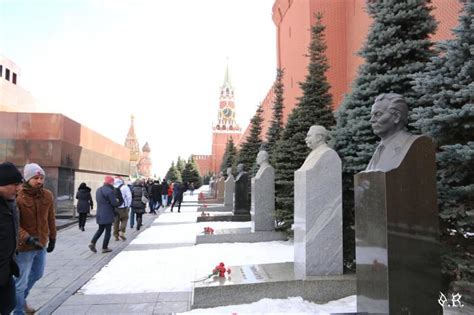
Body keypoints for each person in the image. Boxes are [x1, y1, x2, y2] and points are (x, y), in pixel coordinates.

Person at [15, 163, 57, 315]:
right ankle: (18, 310)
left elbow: (51, 218)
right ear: (27, 179)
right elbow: (15, 225)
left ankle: (17, 298)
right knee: (20, 283)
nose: (39, 181)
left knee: (37, 274)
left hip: (41, 244)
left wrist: (53, 237)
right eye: (35, 178)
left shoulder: (47, 195)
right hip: (24, 247)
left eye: (41, 178)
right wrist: (27, 238)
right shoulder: (18, 197)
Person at [366, 93, 419, 172]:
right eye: (372, 115)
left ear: (397, 117)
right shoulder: (379, 149)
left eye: (378, 114)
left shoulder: (412, 144)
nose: (372, 120)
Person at [0, 162, 22, 315]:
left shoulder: (11, 204)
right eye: (15, 184)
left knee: (8, 306)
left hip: (6, 270)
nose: (19, 188)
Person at [88, 176, 120, 254]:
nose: (113, 183)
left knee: (100, 229)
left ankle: (92, 242)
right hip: (108, 213)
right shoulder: (110, 191)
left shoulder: (98, 190)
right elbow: (114, 203)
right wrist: (117, 201)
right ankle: (104, 247)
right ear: (111, 182)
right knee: (108, 231)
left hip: (99, 213)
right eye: (113, 182)